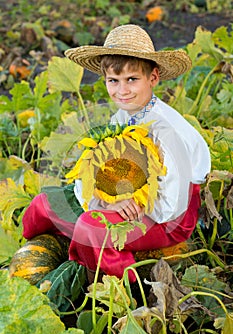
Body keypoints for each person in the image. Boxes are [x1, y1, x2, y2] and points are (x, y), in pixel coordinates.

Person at [22, 24, 211, 284]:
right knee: (43, 204)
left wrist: (125, 207)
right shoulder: (121, 117)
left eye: (132, 79)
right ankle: (51, 251)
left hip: (167, 214)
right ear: (105, 80)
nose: (122, 91)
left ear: (153, 78)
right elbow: (99, 170)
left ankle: (119, 285)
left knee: (91, 227)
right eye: (114, 81)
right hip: (127, 195)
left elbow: (171, 203)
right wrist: (105, 200)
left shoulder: (168, 132)